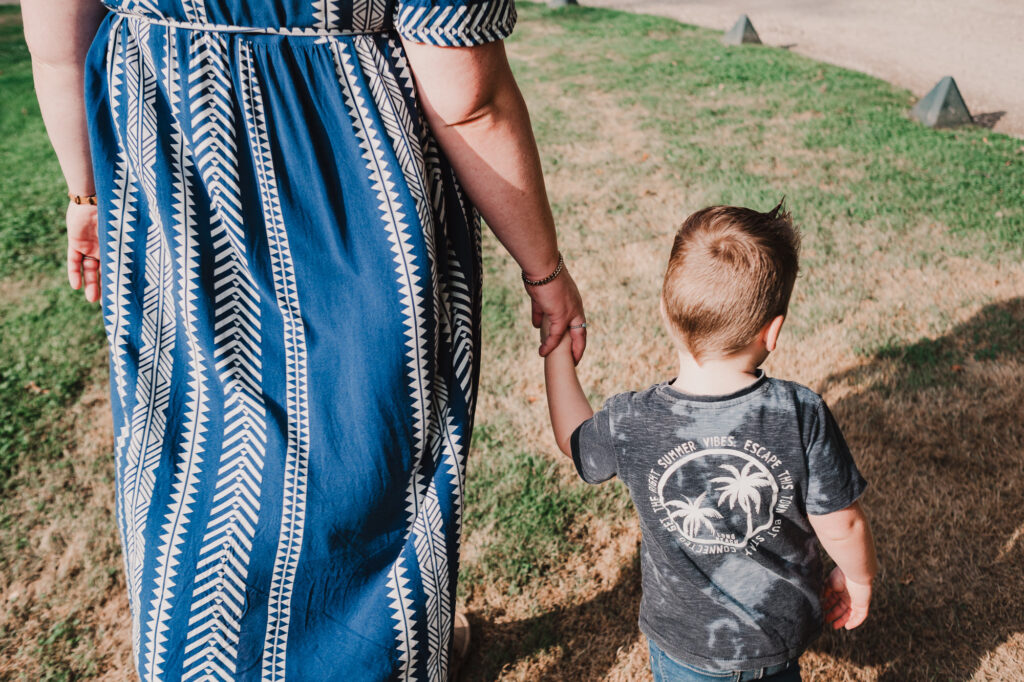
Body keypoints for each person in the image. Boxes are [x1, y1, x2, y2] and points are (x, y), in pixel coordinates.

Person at [22, 0, 586, 679]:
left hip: (168, 150)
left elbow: (56, 38)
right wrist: (544, 268)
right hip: (346, 164)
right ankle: (378, 652)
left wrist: (85, 192)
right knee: (361, 443)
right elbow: (467, 93)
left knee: (198, 451)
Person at [542, 203, 878, 682]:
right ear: (773, 331)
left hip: (683, 647)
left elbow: (575, 441)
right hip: (775, 639)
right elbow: (841, 522)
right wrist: (859, 578)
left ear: (664, 311)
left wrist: (557, 350)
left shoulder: (631, 420)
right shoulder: (800, 413)